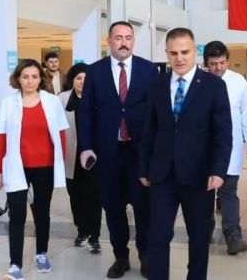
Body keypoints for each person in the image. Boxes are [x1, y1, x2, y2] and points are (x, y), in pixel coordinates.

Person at [139, 27, 232, 280]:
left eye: (185, 52)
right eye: (174, 53)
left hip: (199, 175)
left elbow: (223, 133)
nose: (179, 58)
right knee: (157, 235)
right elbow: (149, 129)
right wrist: (144, 168)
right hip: (162, 174)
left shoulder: (214, 86)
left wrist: (219, 170)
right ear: (167, 54)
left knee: (199, 237)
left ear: (195, 52)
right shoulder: (157, 85)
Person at [78, 21, 159, 279]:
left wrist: (157, 149)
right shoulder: (95, 71)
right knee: (113, 207)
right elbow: (85, 111)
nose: (124, 42)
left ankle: (146, 256)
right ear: (109, 41)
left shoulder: (149, 69)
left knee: (143, 207)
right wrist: (86, 146)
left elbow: (158, 111)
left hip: (140, 152)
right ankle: (121, 257)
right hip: (108, 152)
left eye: (128, 37)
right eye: (118, 37)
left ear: (133, 40)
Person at [0, 59, 69, 280]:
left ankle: (41, 253)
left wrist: (60, 163)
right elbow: (1, 137)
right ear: (18, 79)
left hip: (45, 166)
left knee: (42, 212)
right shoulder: (9, 103)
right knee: (17, 214)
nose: (30, 81)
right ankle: (15, 265)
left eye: (34, 76)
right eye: (25, 76)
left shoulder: (52, 102)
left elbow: (61, 135)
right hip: (16, 166)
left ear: (40, 78)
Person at [203, 40, 247, 255]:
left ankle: (233, 237)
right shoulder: (197, 81)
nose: (218, 68)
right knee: (203, 194)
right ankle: (203, 232)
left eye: (222, 63)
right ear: (206, 63)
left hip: (230, 147)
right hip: (202, 149)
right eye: (213, 64)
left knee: (228, 192)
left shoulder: (238, 82)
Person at [58, 62, 103, 254]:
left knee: (93, 197)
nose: (82, 82)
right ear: (72, 80)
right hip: (70, 156)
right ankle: (82, 230)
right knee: (75, 196)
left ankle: (94, 236)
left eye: (86, 78)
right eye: (78, 78)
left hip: (93, 156)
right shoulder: (62, 99)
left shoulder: (98, 96)